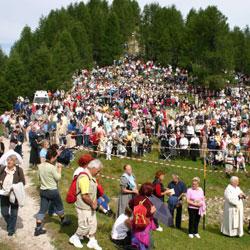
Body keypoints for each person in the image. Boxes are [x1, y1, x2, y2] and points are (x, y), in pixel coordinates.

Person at [35, 148, 71, 236]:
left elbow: (38, 178)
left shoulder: (40, 166)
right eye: (55, 157)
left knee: (42, 210)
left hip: (43, 190)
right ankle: (63, 221)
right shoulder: (52, 167)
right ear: (52, 157)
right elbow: (58, 177)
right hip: (52, 191)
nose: (56, 158)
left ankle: (38, 228)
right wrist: (59, 168)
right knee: (59, 206)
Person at [69, 159, 103, 250]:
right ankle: (75, 237)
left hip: (90, 206)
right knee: (84, 225)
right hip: (84, 206)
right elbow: (84, 196)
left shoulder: (91, 176)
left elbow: (93, 192)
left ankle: (92, 240)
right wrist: (92, 204)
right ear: (93, 168)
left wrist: (95, 201)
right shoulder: (84, 177)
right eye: (98, 170)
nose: (99, 173)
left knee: (93, 224)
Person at [0, 155, 25, 236]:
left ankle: (11, 229)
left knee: (14, 213)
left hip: (14, 195)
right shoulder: (3, 169)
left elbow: (23, 182)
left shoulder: (19, 170)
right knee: (4, 212)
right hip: (4, 193)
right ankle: (11, 224)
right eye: (8, 160)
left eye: (11, 160)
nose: (9, 161)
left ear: (14, 162)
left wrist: (14, 187)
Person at [129, 183, 156, 250]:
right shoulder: (147, 201)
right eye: (151, 191)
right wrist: (152, 212)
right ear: (148, 191)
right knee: (144, 241)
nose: (152, 193)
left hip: (136, 221)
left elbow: (130, 204)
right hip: (144, 223)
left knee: (136, 237)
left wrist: (136, 210)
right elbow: (147, 214)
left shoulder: (136, 198)